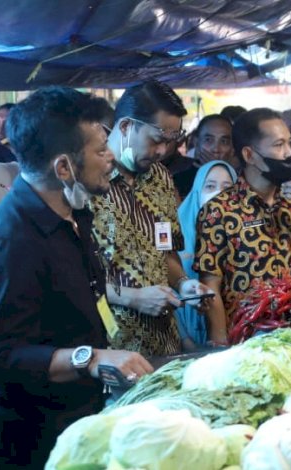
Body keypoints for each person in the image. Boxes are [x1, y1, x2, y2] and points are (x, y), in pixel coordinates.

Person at [0, 87, 152, 468]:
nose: (112, 157)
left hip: (77, 415)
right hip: (27, 437)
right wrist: (91, 357)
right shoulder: (10, 240)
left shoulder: (73, 211)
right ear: (63, 167)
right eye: (101, 150)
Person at [195, 108, 291, 343]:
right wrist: (220, 347)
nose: (289, 153)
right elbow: (211, 286)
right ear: (249, 155)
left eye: (289, 143)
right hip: (248, 342)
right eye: (279, 145)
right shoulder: (219, 210)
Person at [92, 80, 211, 357]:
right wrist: (134, 297)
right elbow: (74, 278)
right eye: (156, 140)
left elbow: (165, 248)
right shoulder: (89, 180)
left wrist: (184, 284)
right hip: (111, 345)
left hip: (163, 342)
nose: (162, 152)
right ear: (125, 127)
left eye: (170, 143)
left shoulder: (160, 178)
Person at [177, 160, 238, 347]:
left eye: (227, 187)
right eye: (210, 186)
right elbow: (167, 284)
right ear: (197, 191)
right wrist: (185, 340)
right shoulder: (178, 229)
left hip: (236, 331)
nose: (218, 193)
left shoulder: (244, 233)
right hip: (186, 333)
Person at [171, 114, 236, 196]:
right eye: (208, 140)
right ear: (196, 142)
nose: (216, 149)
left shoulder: (239, 183)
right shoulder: (177, 182)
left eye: (224, 141)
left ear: (233, 148)